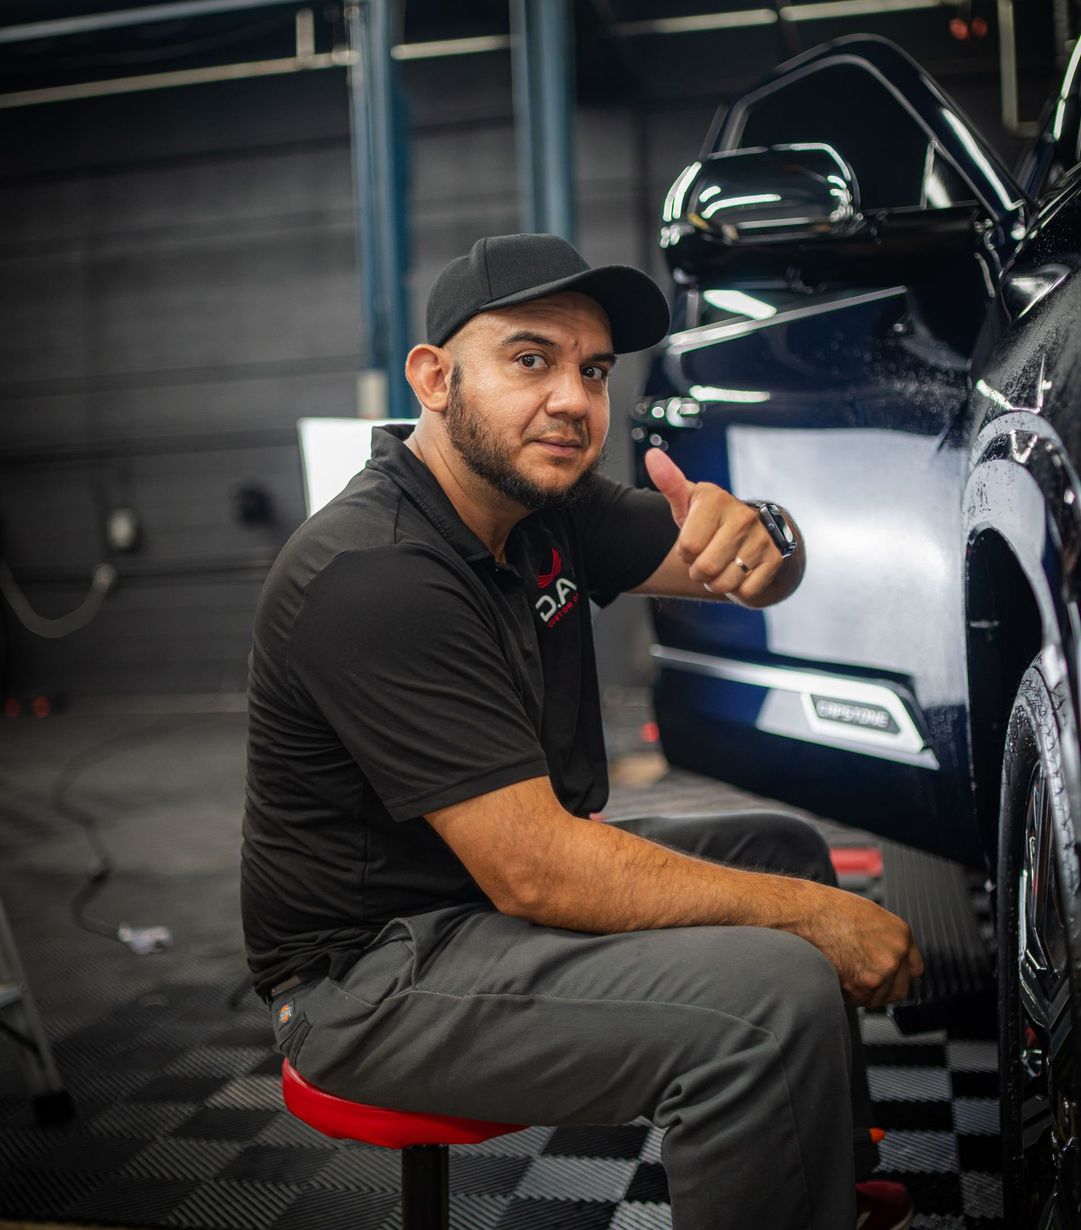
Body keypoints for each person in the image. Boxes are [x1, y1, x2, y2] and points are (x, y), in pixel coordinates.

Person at [242, 233, 923, 1230]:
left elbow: (735, 566)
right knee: (768, 996)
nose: (572, 399)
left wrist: (764, 538)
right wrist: (814, 922)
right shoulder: (376, 572)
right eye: (530, 360)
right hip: (370, 979)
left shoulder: (539, 505)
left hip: (480, 906)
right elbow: (541, 874)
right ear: (435, 379)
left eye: (592, 369)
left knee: (783, 854)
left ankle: (819, 1189)